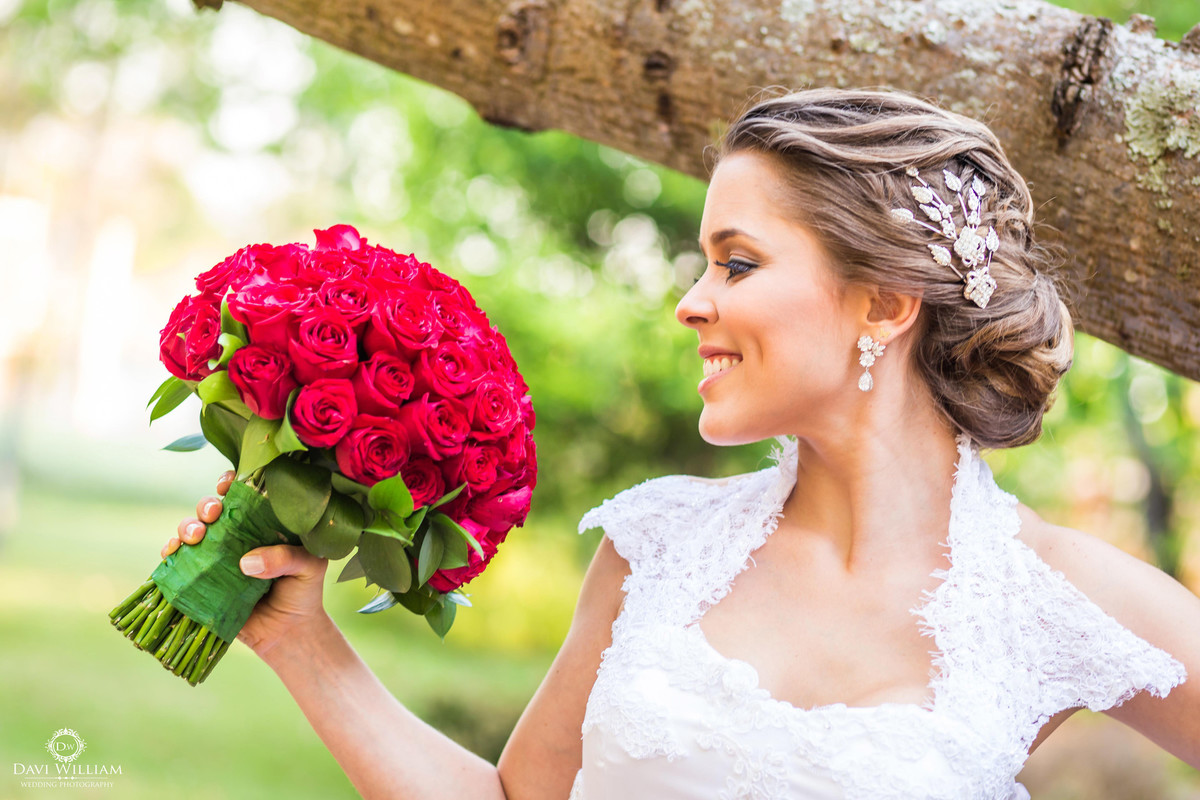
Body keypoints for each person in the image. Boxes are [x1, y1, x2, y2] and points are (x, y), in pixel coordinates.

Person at [162, 89, 1200, 799]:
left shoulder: (1063, 598)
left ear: (883, 301)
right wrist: (301, 640)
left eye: (737, 263)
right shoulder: (659, 545)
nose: (690, 303)